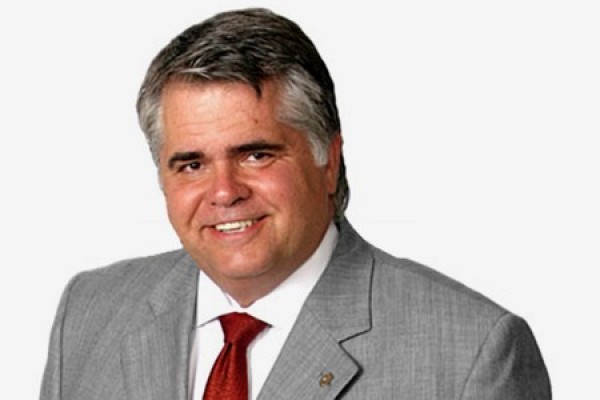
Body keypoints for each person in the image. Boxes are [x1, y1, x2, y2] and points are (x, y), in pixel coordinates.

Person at [40, 7, 551, 400]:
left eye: (256, 154)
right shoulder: (90, 310)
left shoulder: (473, 354)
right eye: (191, 164)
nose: (224, 191)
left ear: (328, 160)